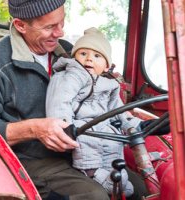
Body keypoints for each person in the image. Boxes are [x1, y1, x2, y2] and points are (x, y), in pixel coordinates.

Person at [0, 1, 148, 199]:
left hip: (84, 152)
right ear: (20, 25)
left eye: (62, 22)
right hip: (29, 161)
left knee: (140, 190)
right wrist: (35, 129)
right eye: (50, 27)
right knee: (95, 196)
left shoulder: (69, 52)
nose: (59, 33)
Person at [46, 27, 141, 197]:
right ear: (74, 57)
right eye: (83, 53)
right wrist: (64, 126)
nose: (89, 58)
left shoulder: (109, 85)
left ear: (106, 66)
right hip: (81, 129)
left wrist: (138, 125)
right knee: (88, 141)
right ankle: (91, 172)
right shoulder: (70, 76)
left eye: (97, 56)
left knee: (114, 144)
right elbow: (60, 102)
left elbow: (119, 111)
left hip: (103, 130)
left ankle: (116, 179)